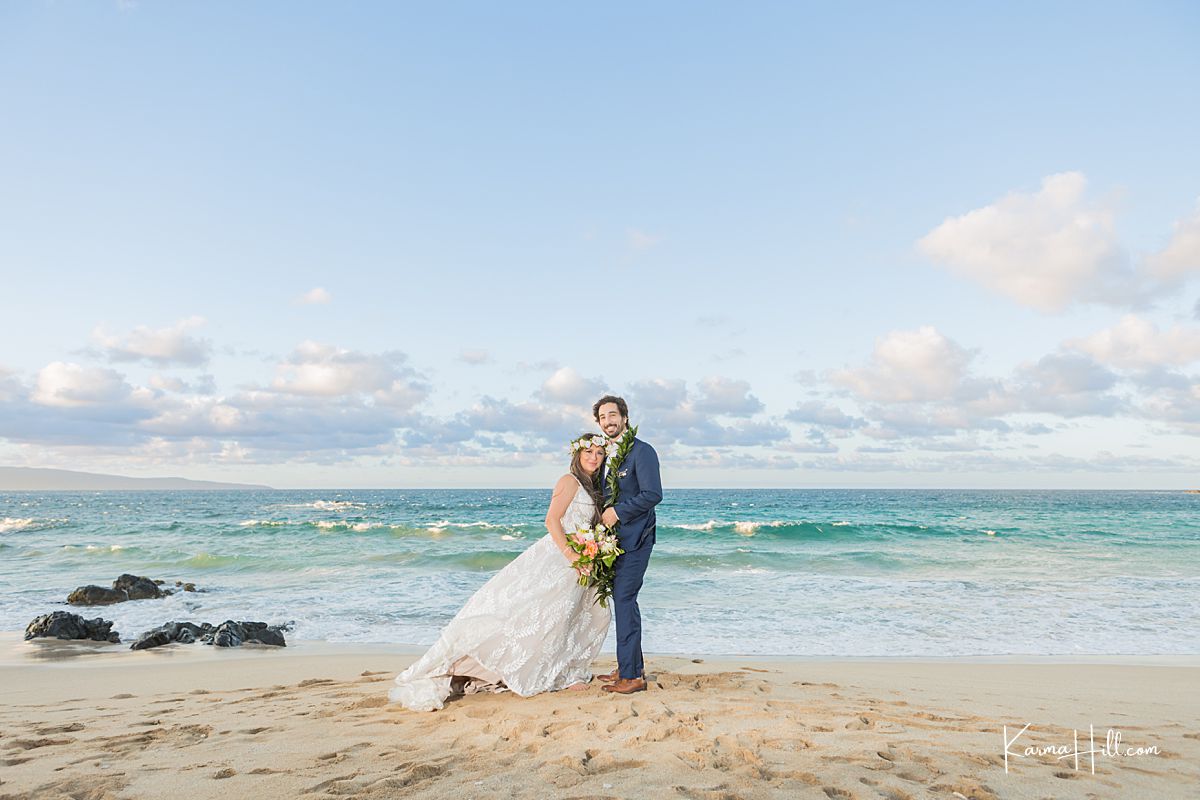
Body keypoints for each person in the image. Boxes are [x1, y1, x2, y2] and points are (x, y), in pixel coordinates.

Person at [388, 434, 612, 711]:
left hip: (581, 560)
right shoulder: (569, 481)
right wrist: (571, 554)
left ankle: (562, 670)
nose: (594, 457)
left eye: (600, 453)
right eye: (588, 451)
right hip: (561, 559)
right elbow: (551, 520)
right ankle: (471, 667)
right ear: (577, 455)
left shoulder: (592, 486)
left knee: (568, 619)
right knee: (535, 616)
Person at [593, 394, 663, 695]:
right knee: (624, 603)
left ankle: (632, 677)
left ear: (624, 417)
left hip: (637, 540)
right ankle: (628, 665)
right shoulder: (605, 456)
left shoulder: (642, 451)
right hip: (614, 543)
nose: (607, 421)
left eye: (612, 415)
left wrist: (617, 512)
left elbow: (652, 494)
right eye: (602, 418)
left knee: (624, 600)